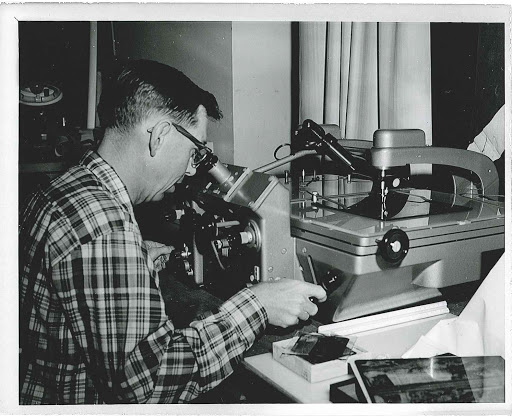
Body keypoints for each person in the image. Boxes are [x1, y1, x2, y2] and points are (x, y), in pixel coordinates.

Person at [19, 59, 326, 404]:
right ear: (161, 135)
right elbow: (149, 386)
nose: (192, 168)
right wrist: (258, 305)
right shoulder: (105, 226)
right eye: (195, 151)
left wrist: (137, 260)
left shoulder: (64, 190)